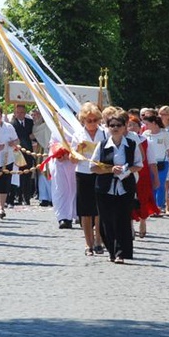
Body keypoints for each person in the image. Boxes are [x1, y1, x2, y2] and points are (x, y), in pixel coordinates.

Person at [90, 110, 142, 264]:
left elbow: (139, 165)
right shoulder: (102, 145)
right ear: (107, 127)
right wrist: (110, 170)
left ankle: (121, 253)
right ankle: (111, 251)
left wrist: (126, 170)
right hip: (105, 188)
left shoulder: (132, 145)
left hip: (125, 187)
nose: (115, 128)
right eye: (112, 125)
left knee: (122, 220)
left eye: (118, 125)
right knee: (106, 221)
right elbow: (93, 167)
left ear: (125, 127)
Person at [71, 102, 104, 255]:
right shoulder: (78, 135)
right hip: (83, 172)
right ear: (83, 120)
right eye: (88, 121)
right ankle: (88, 243)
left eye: (94, 120)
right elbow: (72, 159)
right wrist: (78, 150)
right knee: (85, 211)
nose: (92, 123)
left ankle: (98, 240)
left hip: (99, 172)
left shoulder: (104, 133)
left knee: (99, 209)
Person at [128, 115, 160, 232]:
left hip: (143, 174)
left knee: (143, 198)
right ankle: (130, 226)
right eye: (129, 125)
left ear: (139, 127)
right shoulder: (123, 140)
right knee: (129, 199)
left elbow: (152, 161)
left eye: (134, 125)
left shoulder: (146, 141)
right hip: (129, 173)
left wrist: (156, 177)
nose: (131, 128)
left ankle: (143, 221)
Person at [143, 114, 169, 212]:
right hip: (150, 163)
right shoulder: (145, 134)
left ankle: (159, 205)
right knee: (151, 185)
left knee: (160, 184)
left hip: (162, 163)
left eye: (147, 124)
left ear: (154, 123)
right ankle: (152, 206)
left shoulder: (164, 134)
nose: (146, 126)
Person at [11, 104, 35, 205]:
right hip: (17, 152)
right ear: (15, 113)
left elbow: (33, 134)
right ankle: (18, 196)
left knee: (28, 175)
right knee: (19, 175)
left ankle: (27, 197)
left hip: (28, 151)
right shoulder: (12, 124)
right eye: (18, 112)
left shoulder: (30, 122)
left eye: (22, 112)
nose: (20, 114)